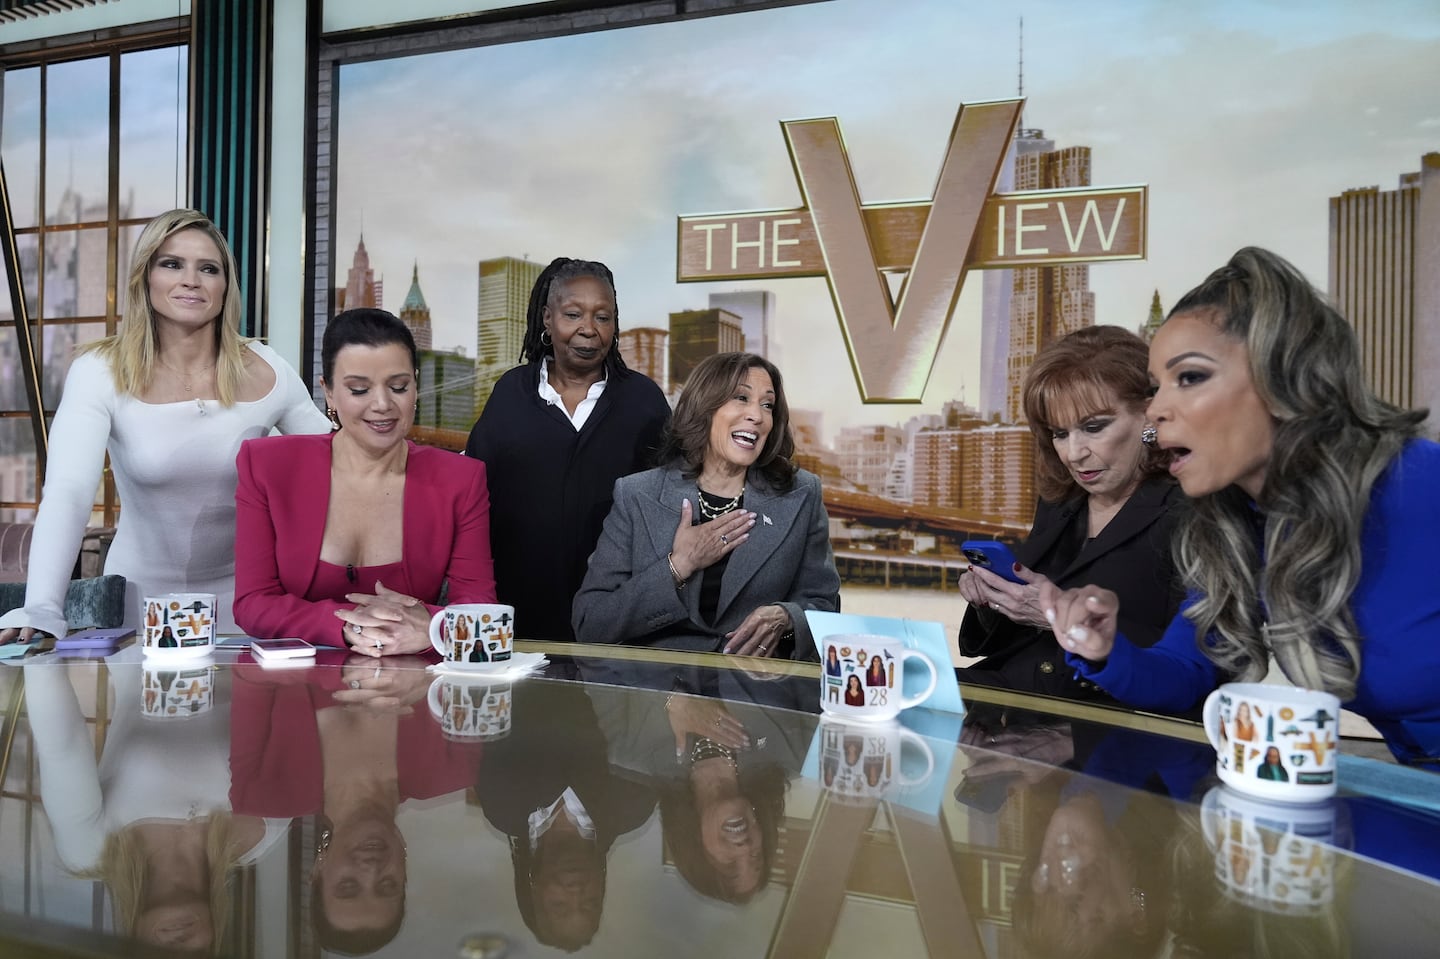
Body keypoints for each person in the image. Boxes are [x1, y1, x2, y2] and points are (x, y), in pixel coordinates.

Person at [1043, 247, 1440, 767]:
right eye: (1156, 388)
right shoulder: (1236, 525)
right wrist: (1103, 651)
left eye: (1190, 378)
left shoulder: (1420, 483)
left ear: (1281, 373)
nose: (1157, 411)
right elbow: (1184, 672)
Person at [0, 209, 330, 642]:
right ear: (146, 277)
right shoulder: (99, 370)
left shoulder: (268, 366)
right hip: (141, 607)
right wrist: (42, 603)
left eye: (208, 268)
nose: (191, 279)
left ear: (225, 286)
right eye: (171, 263)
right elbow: (69, 492)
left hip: (251, 605)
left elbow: (340, 464)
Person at [233, 308, 496, 654]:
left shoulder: (461, 479)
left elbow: (480, 614)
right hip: (293, 689)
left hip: (410, 692)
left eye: (399, 386)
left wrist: (432, 628)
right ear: (328, 393)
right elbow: (253, 603)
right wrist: (345, 625)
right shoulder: (267, 465)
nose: (383, 404)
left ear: (416, 385)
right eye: (359, 390)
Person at [957, 325, 1184, 701]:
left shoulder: (1191, 509)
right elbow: (1009, 637)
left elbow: (1192, 665)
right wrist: (994, 600)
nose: (1073, 453)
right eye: (1059, 433)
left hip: (1106, 719)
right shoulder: (1060, 500)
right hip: (1012, 695)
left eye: (1093, 428)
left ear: (1149, 414)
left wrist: (1057, 615)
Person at [572, 352, 840, 658]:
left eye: (768, 405)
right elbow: (590, 622)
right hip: (657, 694)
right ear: (705, 407)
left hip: (755, 695)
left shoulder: (802, 494)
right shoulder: (637, 494)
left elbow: (825, 606)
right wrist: (678, 566)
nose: (757, 415)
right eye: (741, 398)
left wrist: (787, 618)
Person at [465, 258, 670, 642]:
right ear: (547, 317)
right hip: (517, 618)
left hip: (617, 622)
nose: (589, 330)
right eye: (573, 314)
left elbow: (669, 507)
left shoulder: (645, 402)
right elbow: (473, 499)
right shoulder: (510, 394)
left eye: (603, 317)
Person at [229, 652, 481, 953]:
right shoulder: (453, 769)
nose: (371, 870)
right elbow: (473, 663)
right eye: (387, 885)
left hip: (293, 609)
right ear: (404, 875)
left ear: (317, 872)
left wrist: (343, 668)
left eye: (348, 886)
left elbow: (248, 666)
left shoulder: (262, 792)